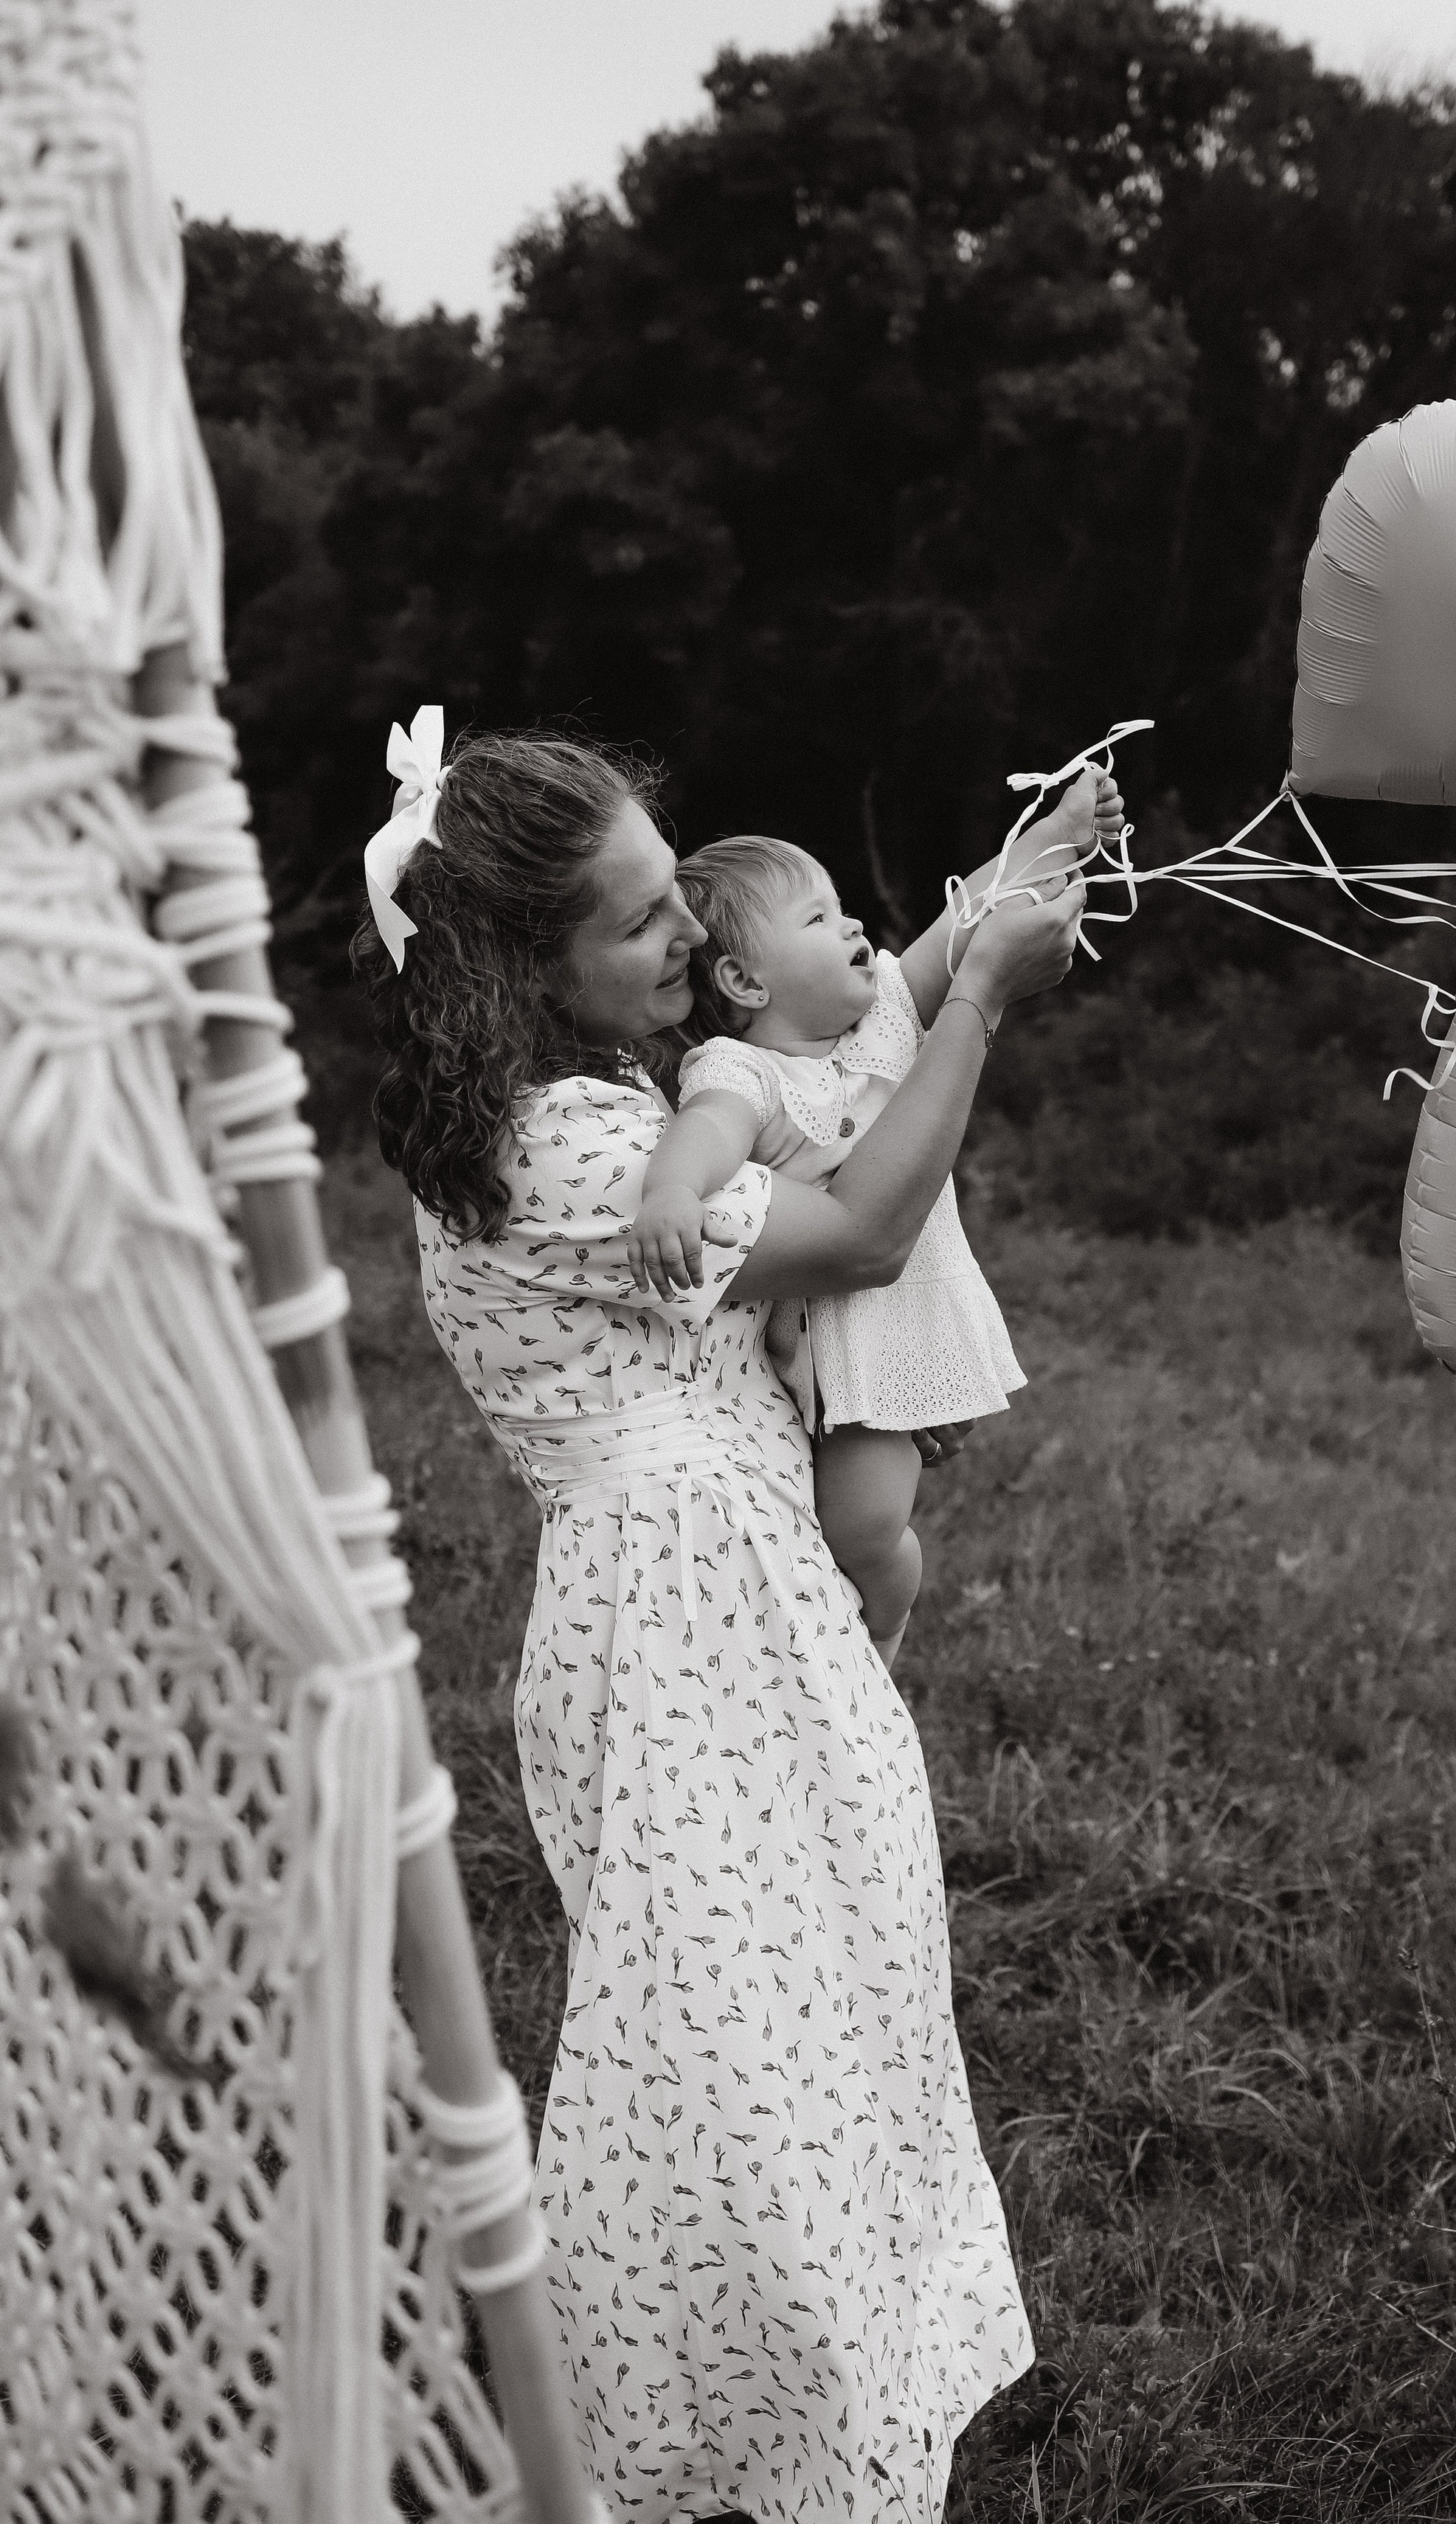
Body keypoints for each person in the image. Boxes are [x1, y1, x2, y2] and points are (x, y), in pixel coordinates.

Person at [354, 720, 1085, 2524]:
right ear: (523, 969)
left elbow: (818, 1047)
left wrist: (993, 902)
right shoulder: (569, 1149)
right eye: (637, 924)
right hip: (689, 1630)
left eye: (677, 893)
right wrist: (981, 1002)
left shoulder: (588, 1093)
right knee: (732, 2066)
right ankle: (711, 2439)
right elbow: (854, 1221)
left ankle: (800, 2415)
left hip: (719, 1602)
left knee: (804, 2026)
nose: (686, 934)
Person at [625, 766, 1123, 1665]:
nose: (853, 925)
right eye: (817, 919)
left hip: (897, 1329)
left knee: (862, 1527)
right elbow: (707, 1130)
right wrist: (671, 1189)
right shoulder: (742, 1071)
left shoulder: (886, 1018)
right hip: (803, 1350)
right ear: (743, 978)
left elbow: (969, 918)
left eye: (842, 907)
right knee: (806, 1529)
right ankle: (823, 1655)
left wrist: (1060, 830)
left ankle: (883, 1629)